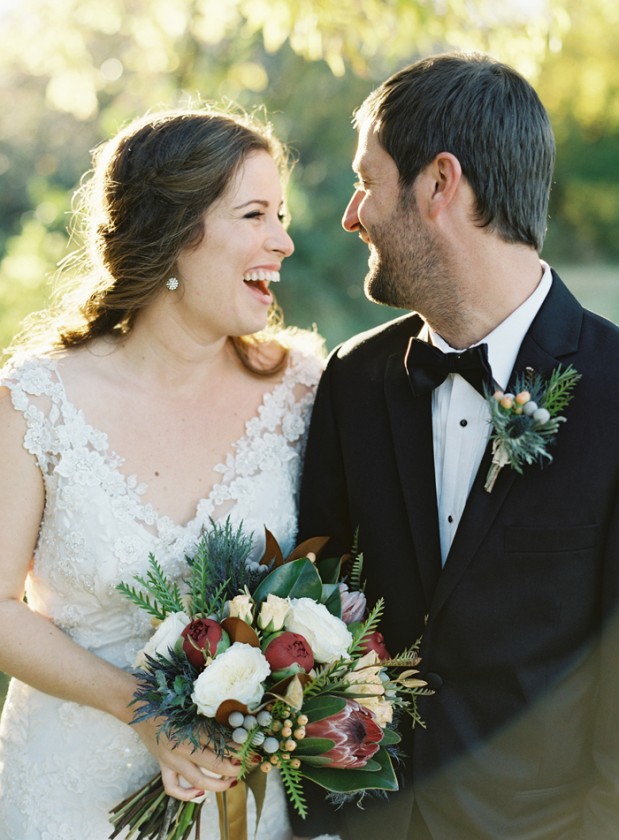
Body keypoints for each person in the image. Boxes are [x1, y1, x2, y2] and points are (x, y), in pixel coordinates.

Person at [293, 52, 619, 839]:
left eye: (365, 180)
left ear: (440, 184)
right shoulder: (354, 379)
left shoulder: (615, 388)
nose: (351, 214)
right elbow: (316, 603)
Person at [0, 105, 334, 840]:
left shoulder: (303, 390)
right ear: (176, 231)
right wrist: (143, 713)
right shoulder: (38, 399)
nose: (281, 241)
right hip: (66, 797)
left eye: (279, 215)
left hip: (242, 799)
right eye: (254, 215)